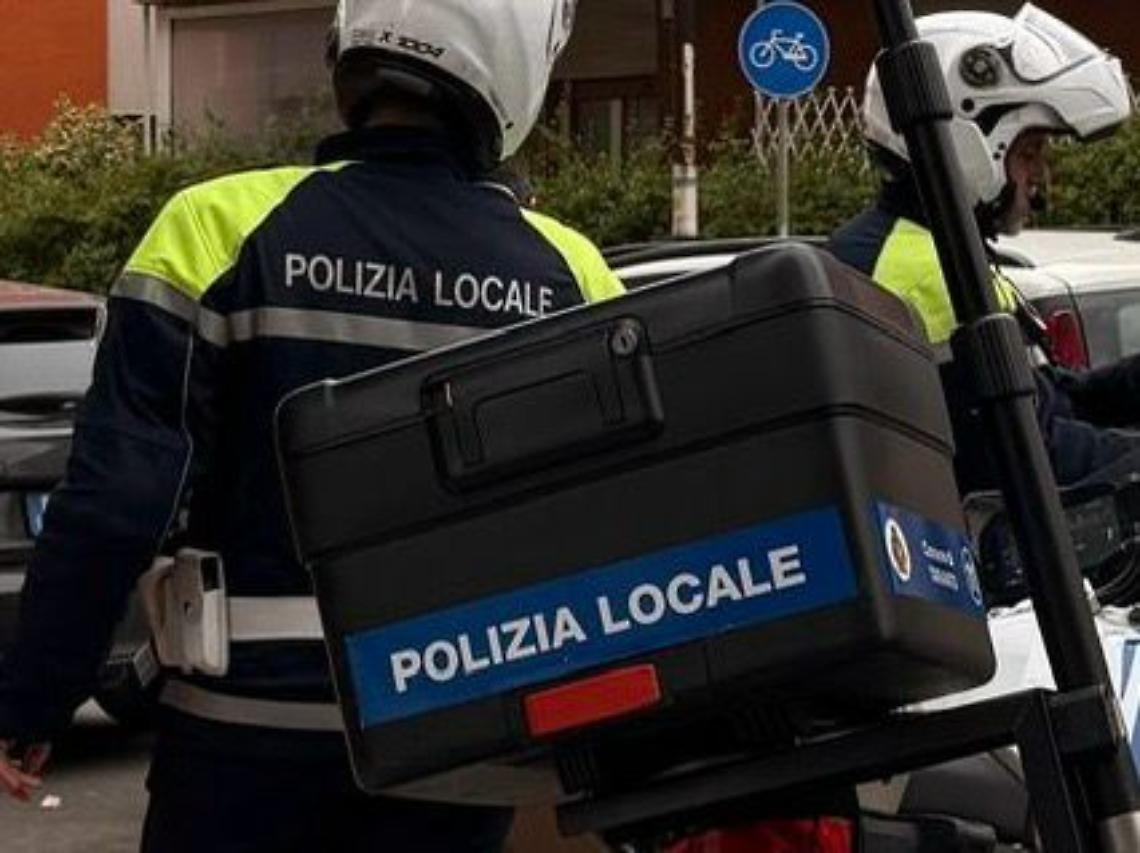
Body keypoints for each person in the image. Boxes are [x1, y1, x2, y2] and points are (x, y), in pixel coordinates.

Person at [0, 1, 624, 850]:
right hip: (455, 743)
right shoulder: (572, 275)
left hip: (241, 738)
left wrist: (35, 696)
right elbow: (605, 525)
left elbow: (116, 501)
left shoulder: (215, 228)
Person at [829, 3, 1140, 495]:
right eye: (1030, 153)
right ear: (971, 144)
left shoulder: (939, 251)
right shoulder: (927, 273)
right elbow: (1027, 454)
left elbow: (1053, 401)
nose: (1039, 178)